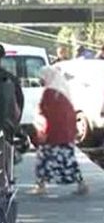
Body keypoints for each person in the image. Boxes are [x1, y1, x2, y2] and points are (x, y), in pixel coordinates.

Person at [31, 67, 88, 196]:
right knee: (68, 160)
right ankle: (81, 184)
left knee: (43, 159)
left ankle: (41, 186)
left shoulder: (50, 93)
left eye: (43, 78)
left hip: (53, 133)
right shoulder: (62, 91)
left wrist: (42, 130)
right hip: (65, 134)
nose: (42, 80)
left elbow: (45, 112)